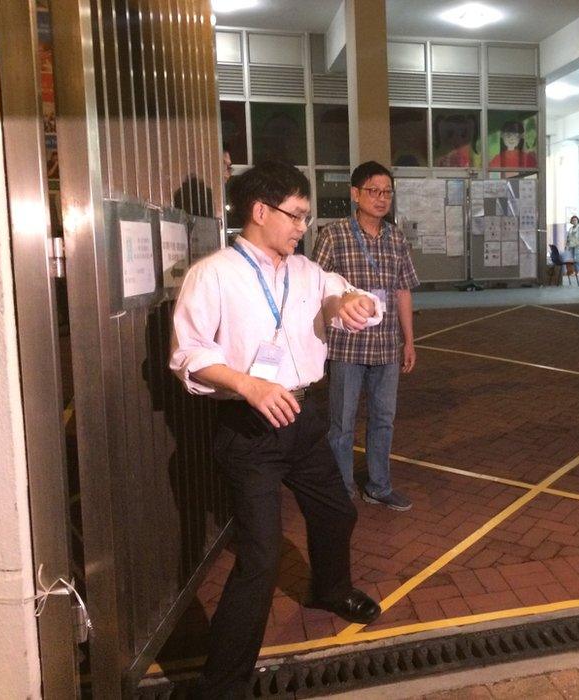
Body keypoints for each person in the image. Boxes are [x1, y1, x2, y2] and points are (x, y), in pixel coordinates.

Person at [169, 160, 383, 698]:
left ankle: (329, 590)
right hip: (250, 428)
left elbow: (343, 295)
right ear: (260, 211)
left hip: (303, 419)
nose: (301, 227)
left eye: (306, 217)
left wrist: (353, 303)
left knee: (337, 511)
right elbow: (189, 356)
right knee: (260, 559)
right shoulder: (214, 273)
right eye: (296, 215)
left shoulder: (306, 272)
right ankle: (223, 684)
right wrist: (249, 386)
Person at [312, 161, 419, 512]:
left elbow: (403, 291)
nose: (381, 198)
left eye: (387, 191)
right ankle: (342, 489)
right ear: (355, 194)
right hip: (347, 346)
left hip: (387, 345)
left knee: (383, 419)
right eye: (374, 191)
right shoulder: (334, 234)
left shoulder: (397, 237)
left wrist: (409, 341)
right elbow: (317, 288)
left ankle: (379, 485)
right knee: (341, 424)